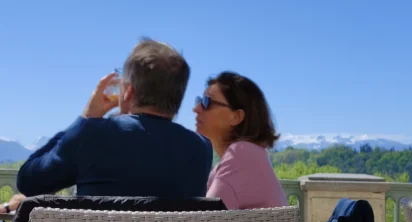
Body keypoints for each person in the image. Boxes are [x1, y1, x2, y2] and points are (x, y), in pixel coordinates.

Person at [16, 38, 212, 198]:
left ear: (128, 91)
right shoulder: (201, 148)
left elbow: (29, 181)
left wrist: (87, 117)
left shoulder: (93, 133)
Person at [193, 71, 287, 209]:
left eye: (207, 102)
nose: (196, 109)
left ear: (236, 117)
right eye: (199, 101)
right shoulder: (251, 153)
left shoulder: (242, 153)